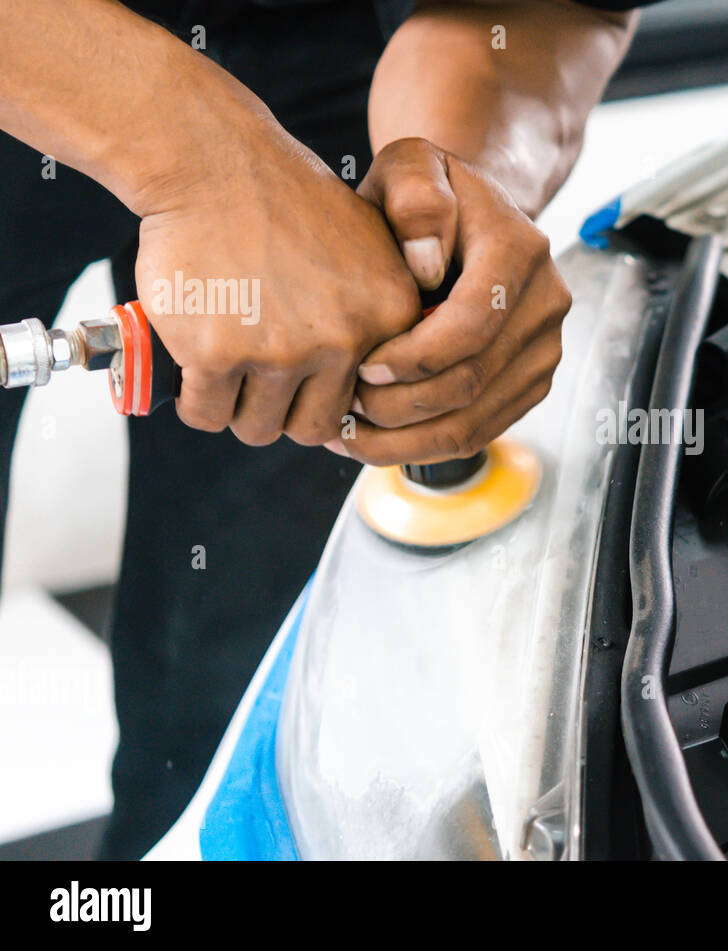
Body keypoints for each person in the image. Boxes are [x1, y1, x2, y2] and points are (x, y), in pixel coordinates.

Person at [0, 0, 638, 858]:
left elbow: (555, 11)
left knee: (245, 679)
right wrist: (203, 160)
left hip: (323, 76)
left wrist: (451, 193)